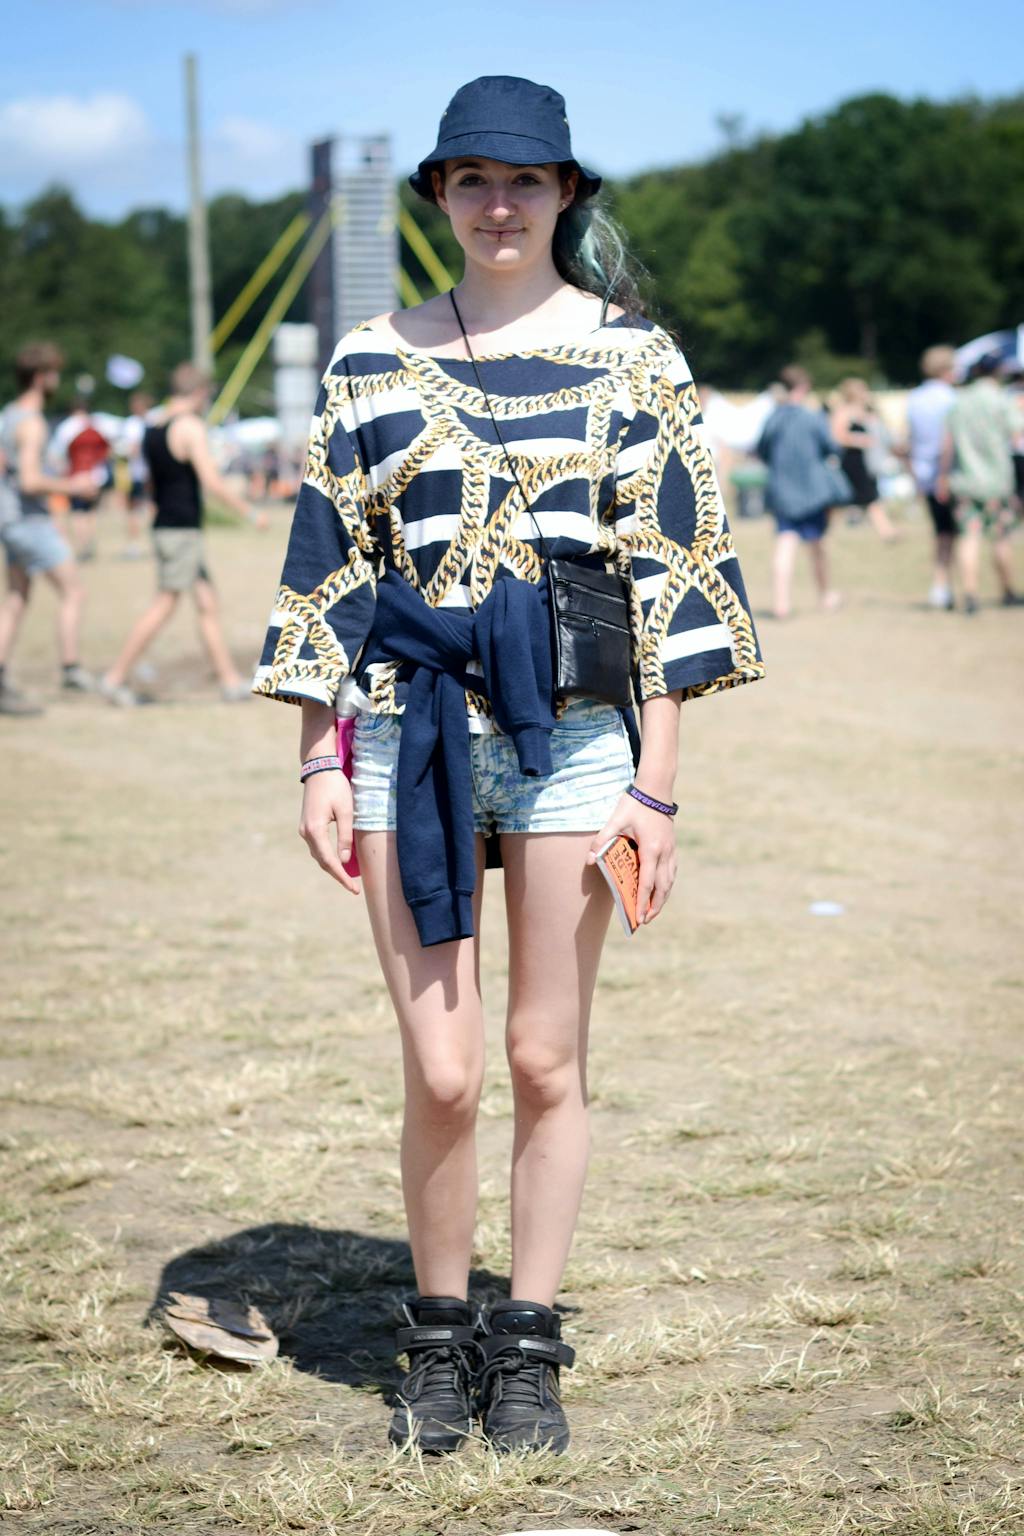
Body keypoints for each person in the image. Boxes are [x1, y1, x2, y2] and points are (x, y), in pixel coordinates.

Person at [254, 75, 763, 1456]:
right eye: (472, 178)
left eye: (525, 180)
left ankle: (525, 1344)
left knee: (543, 1056)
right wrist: (314, 758)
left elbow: (676, 571)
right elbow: (329, 564)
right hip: (402, 726)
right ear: (438, 193)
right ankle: (436, 1340)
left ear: (565, 193)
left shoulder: (636, 359)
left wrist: (657, 785)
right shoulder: (368, 357)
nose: (498, 204)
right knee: (443, 1070)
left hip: (576, 738)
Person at [100, 363, 267, 705]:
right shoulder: (189, 426)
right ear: (200, 392)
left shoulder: (152, 427)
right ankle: (114, 678)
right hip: (181, 531)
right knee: (165, 604)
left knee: (207, 603)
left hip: (168, 525)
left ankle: (229, 680)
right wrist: (250, 512)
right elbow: (211, 481)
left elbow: (150, 481)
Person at [0, 342, 97, 716]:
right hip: (29, 521)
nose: (58, 379)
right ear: (41, 377)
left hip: (10, 519)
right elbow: (29, 480)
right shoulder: (33, 423)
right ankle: (71, 669)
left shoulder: (10, 414)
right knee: (74, 591)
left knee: (16, 598)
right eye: (54, 372)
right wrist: (75, 486)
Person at [756, 365, 843, 620]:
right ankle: (825, 595)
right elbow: (831, 448)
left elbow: (761, 450)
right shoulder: (812, 418)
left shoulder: (773, 418)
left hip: (782, 490)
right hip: (812, 491)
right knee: (817, 545)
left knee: (786, 542)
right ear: (803, 387)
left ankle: (781, 603)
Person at [940, 354, 1021, 613]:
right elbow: (1016, 432)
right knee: (1001, 538)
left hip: (965, 480)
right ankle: (1007, 590)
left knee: (969, 537)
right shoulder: (1001, 399)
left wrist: (942, 476)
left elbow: (948, 444)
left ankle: (970, 594)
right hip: (997, 482)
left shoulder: (960, 400)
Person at [906, 345, 958, 609]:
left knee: (941, 532)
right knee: (956, 533)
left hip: (924, 473)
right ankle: (952, 586)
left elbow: (909, 439)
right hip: (948, 473)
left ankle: (940, 585)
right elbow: (949, 441)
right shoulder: (951, 398)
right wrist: (944, 475)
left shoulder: (915, 398)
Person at [830, 377, 898, 542]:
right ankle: (886, 531)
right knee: (863, 498)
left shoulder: (865, 411)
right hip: (852, 461)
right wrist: (858, 440)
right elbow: (837, 436)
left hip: (866, 461)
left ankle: (887, 531)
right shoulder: (844, 412)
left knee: (871, 497)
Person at [50, 395, 112, 561]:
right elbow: (107, 450)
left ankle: (83, 546)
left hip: (76, 475)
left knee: (78, 513)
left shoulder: (67, 427)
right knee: (91, 511)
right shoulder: (98, 425)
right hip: (97, 476)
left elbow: (57, 454)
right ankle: (90, 543)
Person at [116, 389, 155, 558]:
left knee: (153, 508)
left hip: (152, 474)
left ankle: (155, 543)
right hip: (135, 474)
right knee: (133, 510)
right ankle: (134, 545)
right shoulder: (130, 424)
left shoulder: (153, 421)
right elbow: (126, 449)